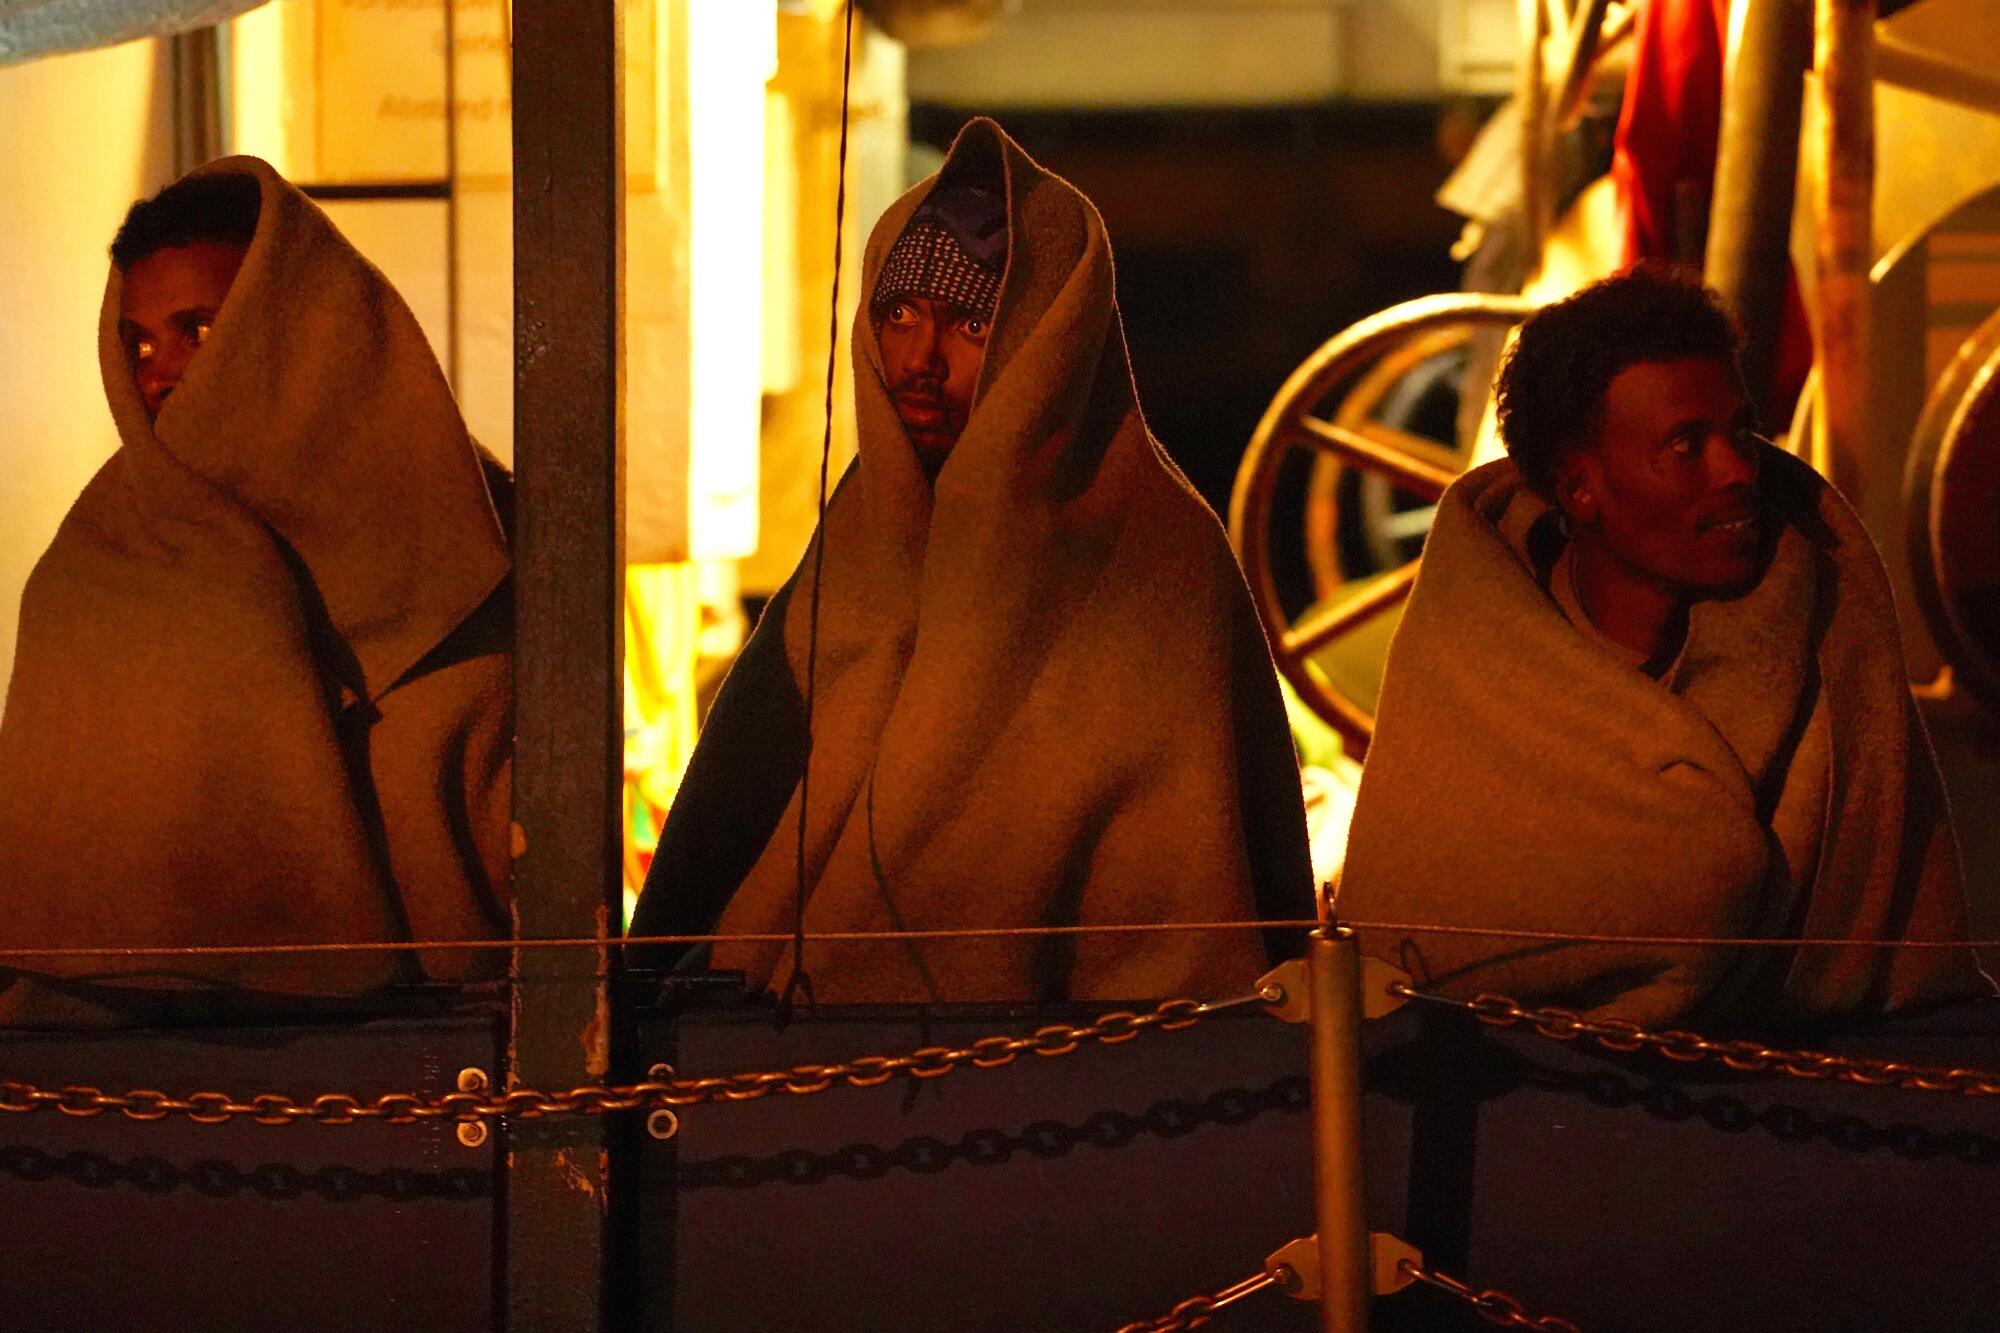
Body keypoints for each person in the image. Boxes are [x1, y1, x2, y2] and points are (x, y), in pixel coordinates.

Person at [631, 118, 1313, 1004]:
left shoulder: (1160, 560)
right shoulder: (854, 547)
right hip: (802, 1074)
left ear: (1048, 336)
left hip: (1109, 1084)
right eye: (900, 315)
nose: (918, 359)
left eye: (971, 323)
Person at [1337, 266, 1989, 1025]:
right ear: (1582, 490)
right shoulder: (1467, 671)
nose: (1738, 470)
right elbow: (1407, 933)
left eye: (1741, 432)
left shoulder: (1832, 626)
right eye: (1687, 445)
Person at [0, 159, 513, 1024]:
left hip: (442, 1057)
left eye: (198, 328)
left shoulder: (468, 524)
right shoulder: (100, 560)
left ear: (293, 325)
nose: (158, 373)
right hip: (126, 1075)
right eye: (138, 341)